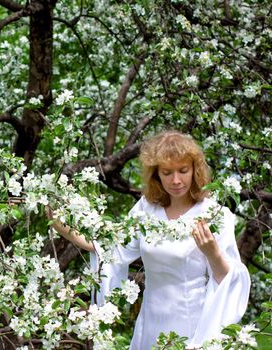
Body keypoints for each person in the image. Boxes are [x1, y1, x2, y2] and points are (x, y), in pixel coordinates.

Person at [48, 130, 250, 349]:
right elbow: (111, 247)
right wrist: (60, 224)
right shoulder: (147, 209)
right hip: (151, 319)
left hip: (190, 321)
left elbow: (229, 280)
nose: (176, 180)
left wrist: (213, 254)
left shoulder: (214, 214)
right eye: (167, 172)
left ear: (195, 170)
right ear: (156, 175)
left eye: (183, 171)